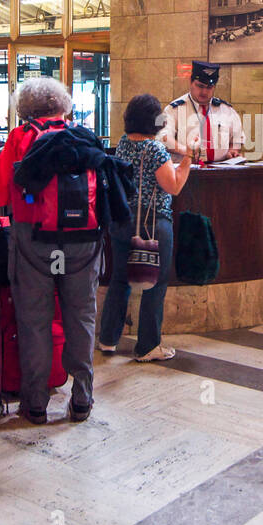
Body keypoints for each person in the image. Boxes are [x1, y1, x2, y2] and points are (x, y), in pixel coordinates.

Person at [0, 77, 131, 424]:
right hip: (84, 241)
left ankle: (35, 403)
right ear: (62, 105)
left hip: (34, 241)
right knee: (81, 316)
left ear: (25, 109)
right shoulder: (83, 136)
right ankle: (81, 398)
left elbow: (0, 192)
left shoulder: (21, 138)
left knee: (34, 320)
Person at [97, 94, 192, 362]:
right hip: (151, 225)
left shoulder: (124, 144)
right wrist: (186, 162)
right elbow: (172, 186)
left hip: (122, 220)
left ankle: (108, 339)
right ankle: (148, 346)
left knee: (119, 279)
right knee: (155, 282)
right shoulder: (154, 149)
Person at [158, 60, 244, 163]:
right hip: (187, 171)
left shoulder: (226, 110)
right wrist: (185, 150)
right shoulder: (174, 109)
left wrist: (233, 150)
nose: (204, 92)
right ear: (191, 82)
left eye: (209, 87)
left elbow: (238, 138)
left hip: (220, 170)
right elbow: (162, 137)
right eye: (200, 86)